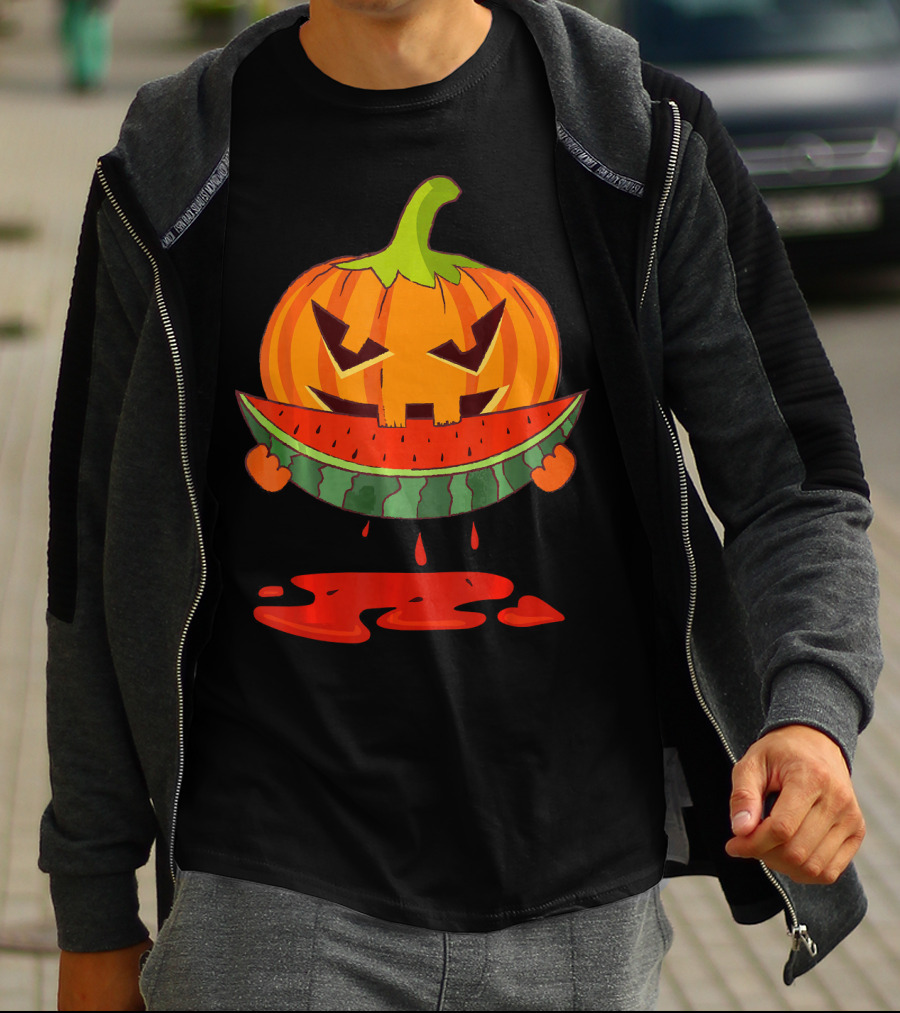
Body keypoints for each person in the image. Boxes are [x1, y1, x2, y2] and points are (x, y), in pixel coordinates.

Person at [41, 0, 881, 1009]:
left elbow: (795, 481)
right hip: (268, 888)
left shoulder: (637, 139)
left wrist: (813, 715)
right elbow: (91, 546)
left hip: (582, 890)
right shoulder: (174, 166)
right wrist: (93, 902)